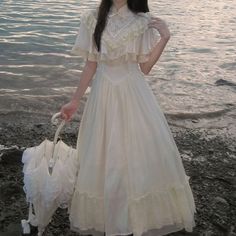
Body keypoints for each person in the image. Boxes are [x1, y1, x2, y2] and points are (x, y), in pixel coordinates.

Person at [60, 0, 197, 235]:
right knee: (104, 153)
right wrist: (75, 100)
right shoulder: (92, 17)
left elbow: (145, 67)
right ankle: (109, 215)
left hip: (133, 92)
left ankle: (137, 217)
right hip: (103, 92)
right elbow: (91, 64)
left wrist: (164, 38)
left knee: (137, 151)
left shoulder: (142, 21)